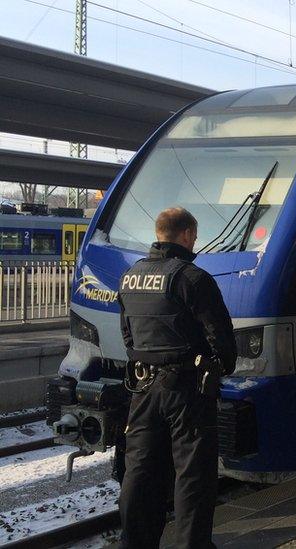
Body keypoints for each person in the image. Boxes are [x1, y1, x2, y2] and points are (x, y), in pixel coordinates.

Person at [117, 207, 236, 549]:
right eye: (194, 236)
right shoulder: (192, 278)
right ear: (185, 235)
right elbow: (222, 341)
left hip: (142, 389)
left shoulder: (130, 277)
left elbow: (128, 338)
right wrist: (219, 367)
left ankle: (134, 542)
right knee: (192, 475)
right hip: (186, 391)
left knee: (141, 469)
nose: (195, 242)